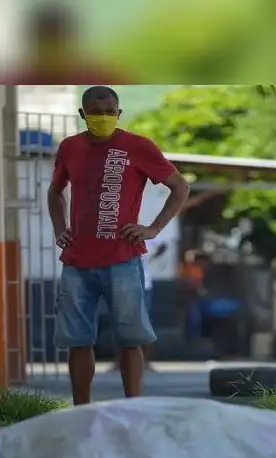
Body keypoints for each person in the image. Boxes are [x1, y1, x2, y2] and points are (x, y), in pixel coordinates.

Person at [49, 86, 190, 405]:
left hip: (123, 259)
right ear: (83, 114)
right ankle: (82, 409)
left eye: (109, 112)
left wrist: (153, 228)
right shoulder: (70, 148)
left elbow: (180, 187)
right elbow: (55, 191)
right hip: (77, 261)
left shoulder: (138, 146)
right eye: (95, 113)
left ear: (119, 113)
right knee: (78, 340)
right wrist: (60, 228)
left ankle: (133, 407)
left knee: (130, 339)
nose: (103, 117)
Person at [110, 238, 168, 372]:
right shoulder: (118, 235)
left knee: (144, 323)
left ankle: (144, 361)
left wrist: (151, 257)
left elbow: (163, 244)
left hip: (143, 285)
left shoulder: (143, 233)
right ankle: (120, 361)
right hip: (123, 284)